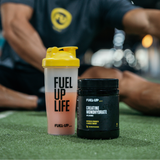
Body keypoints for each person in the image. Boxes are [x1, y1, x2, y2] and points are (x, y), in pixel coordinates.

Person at [0, 0, 160, 115]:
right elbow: (15, 26)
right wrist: (59, 75)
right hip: (14, 72)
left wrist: (66, 82)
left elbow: (146, 20)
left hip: (71, 78)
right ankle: (38, 102)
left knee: (114, 81)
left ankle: (47, 100)